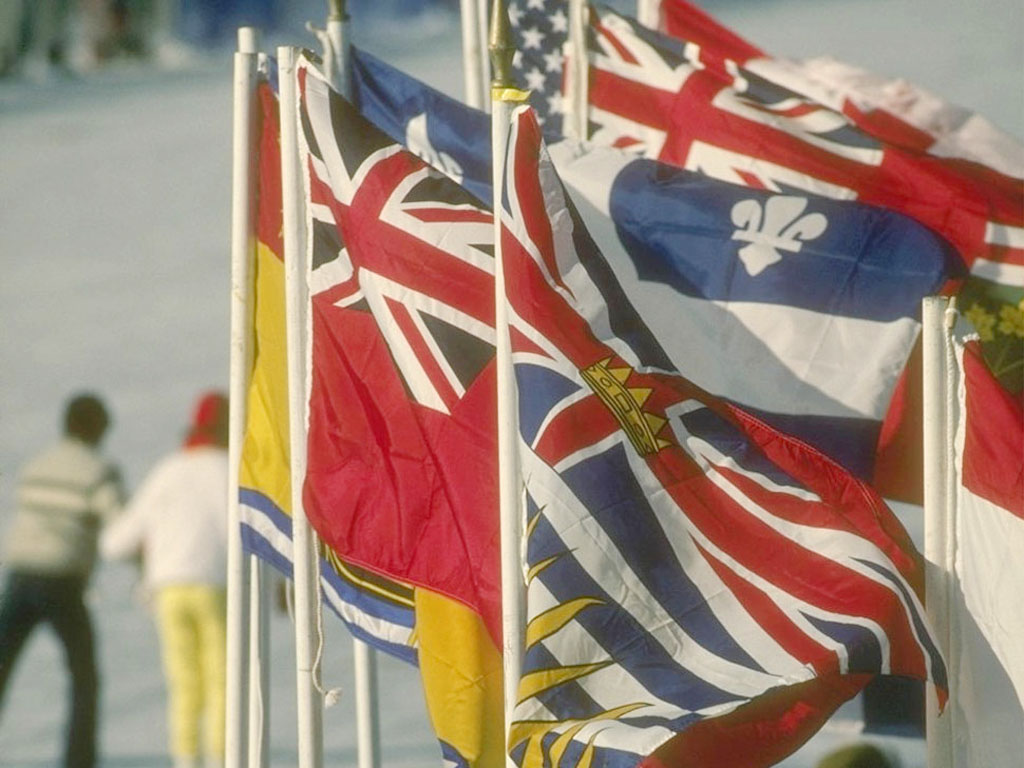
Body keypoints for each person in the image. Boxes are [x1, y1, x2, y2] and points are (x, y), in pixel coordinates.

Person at [100, 390, 228, 768]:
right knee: (222, 680)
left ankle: (185, 759)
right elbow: (242, 534)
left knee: (184, 682)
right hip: (214, 585)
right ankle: (221, 758)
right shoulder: (228, 469)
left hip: (168, 589)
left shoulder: (168, 470)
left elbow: (115, 542)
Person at [0, 392, 124, 768]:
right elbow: (120, 527)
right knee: (83, 676)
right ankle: (78, 760)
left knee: (2, 665)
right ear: (97, 428)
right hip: (63, 579)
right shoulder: (99, 471)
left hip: (21, 574)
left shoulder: (37, 465)